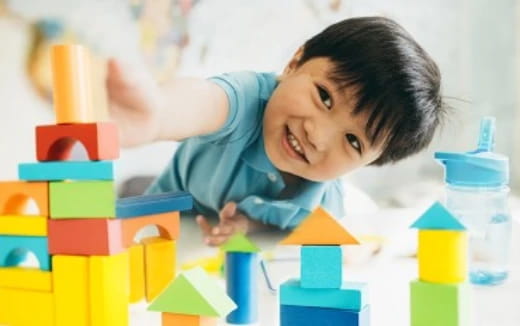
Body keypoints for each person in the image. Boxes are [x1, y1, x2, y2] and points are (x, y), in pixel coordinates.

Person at [107, 16, 446, 246]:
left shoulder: (322, 206)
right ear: (294, 63)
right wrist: (158, 115)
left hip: (214, 224)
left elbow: (284, 221)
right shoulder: (249, 99)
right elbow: (204, 101)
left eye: (353, 141)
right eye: (324, 97)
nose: (318, 135)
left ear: (368, 163)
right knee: (125, 205)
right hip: (172, 197)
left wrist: (248, 224)